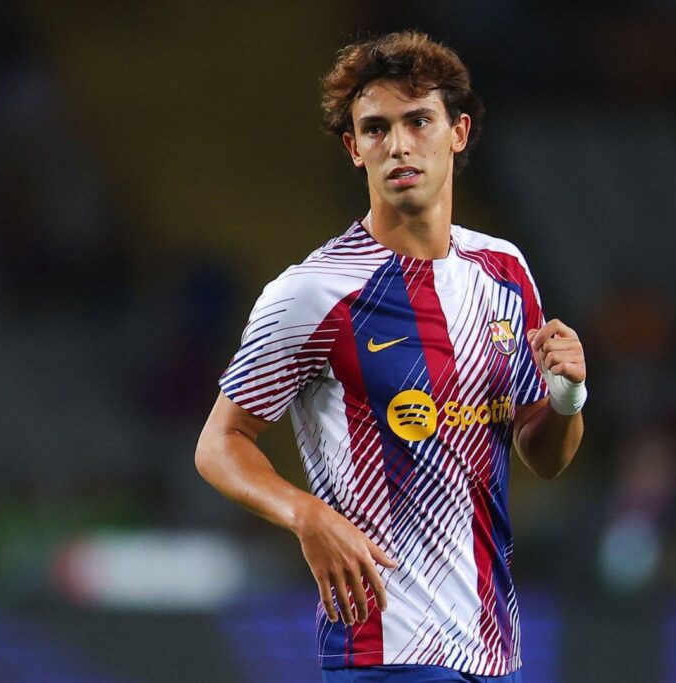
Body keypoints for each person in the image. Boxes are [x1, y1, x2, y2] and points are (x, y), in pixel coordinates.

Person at [195, 30, 586, 683]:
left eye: (418, 121)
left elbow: (543, 454)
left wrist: (569, 395)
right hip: (385, 651)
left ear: (458, 132)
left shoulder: (505, 270)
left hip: (495, 652)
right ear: (355, 149)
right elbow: (219, 442)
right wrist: (305, 513)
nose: (399, 144)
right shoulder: (314, 292)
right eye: (376, 129)